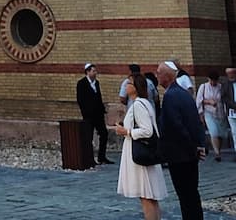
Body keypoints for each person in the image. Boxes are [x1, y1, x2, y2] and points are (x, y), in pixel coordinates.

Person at [157, 60, 207, 220]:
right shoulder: (184, 93)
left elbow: (176, 127)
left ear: (166, 76)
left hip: (179, 155)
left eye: (159, 73)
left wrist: (192, 147)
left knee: (185, 195)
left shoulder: (171, 96)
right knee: (192, 193)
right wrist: (200, 146)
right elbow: (195, 123)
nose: (157, 76)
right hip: (190, 154)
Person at [114, 73, 167, 220]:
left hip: (140, 154)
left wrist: (126, 131)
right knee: (149, 197)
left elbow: (147, 130)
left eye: (129, 83)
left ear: (136, 87)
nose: (126, 85)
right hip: (142, 151)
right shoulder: (142, 103)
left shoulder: (138, 105)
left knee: (146, 197)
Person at [76, 62, 112, 164]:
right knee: (89, 136)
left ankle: (102, 156)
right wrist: (86, 112)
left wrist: (102, 109)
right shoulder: (81, 83)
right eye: (93, 71)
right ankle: (89, 158)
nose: (95, 73)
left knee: (104, 134)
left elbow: (98, 97)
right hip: (88, 115)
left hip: (98, 114)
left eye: (95, 71)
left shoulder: (96, 83)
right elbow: (80, 100)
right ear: (87, 72)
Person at [196, 69, 227, 161]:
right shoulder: (204, 87)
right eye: (211, 80)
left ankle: (219, 150)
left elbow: (224, 99)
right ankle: (217, 153)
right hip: (208, 112)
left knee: (221, 134)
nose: (213, 82)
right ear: (208, 79)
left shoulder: (220, 87)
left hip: (220, 113)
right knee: (214, 132)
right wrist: (208, 103)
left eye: (215, 80)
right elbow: (199, 100)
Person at [222, 66, 236, 155]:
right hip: (231, 111)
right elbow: (223, 97)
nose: (230, 75)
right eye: (228, 74)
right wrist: (232, 105)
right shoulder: (225, 84)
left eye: (232, 73)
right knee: (234, 132)